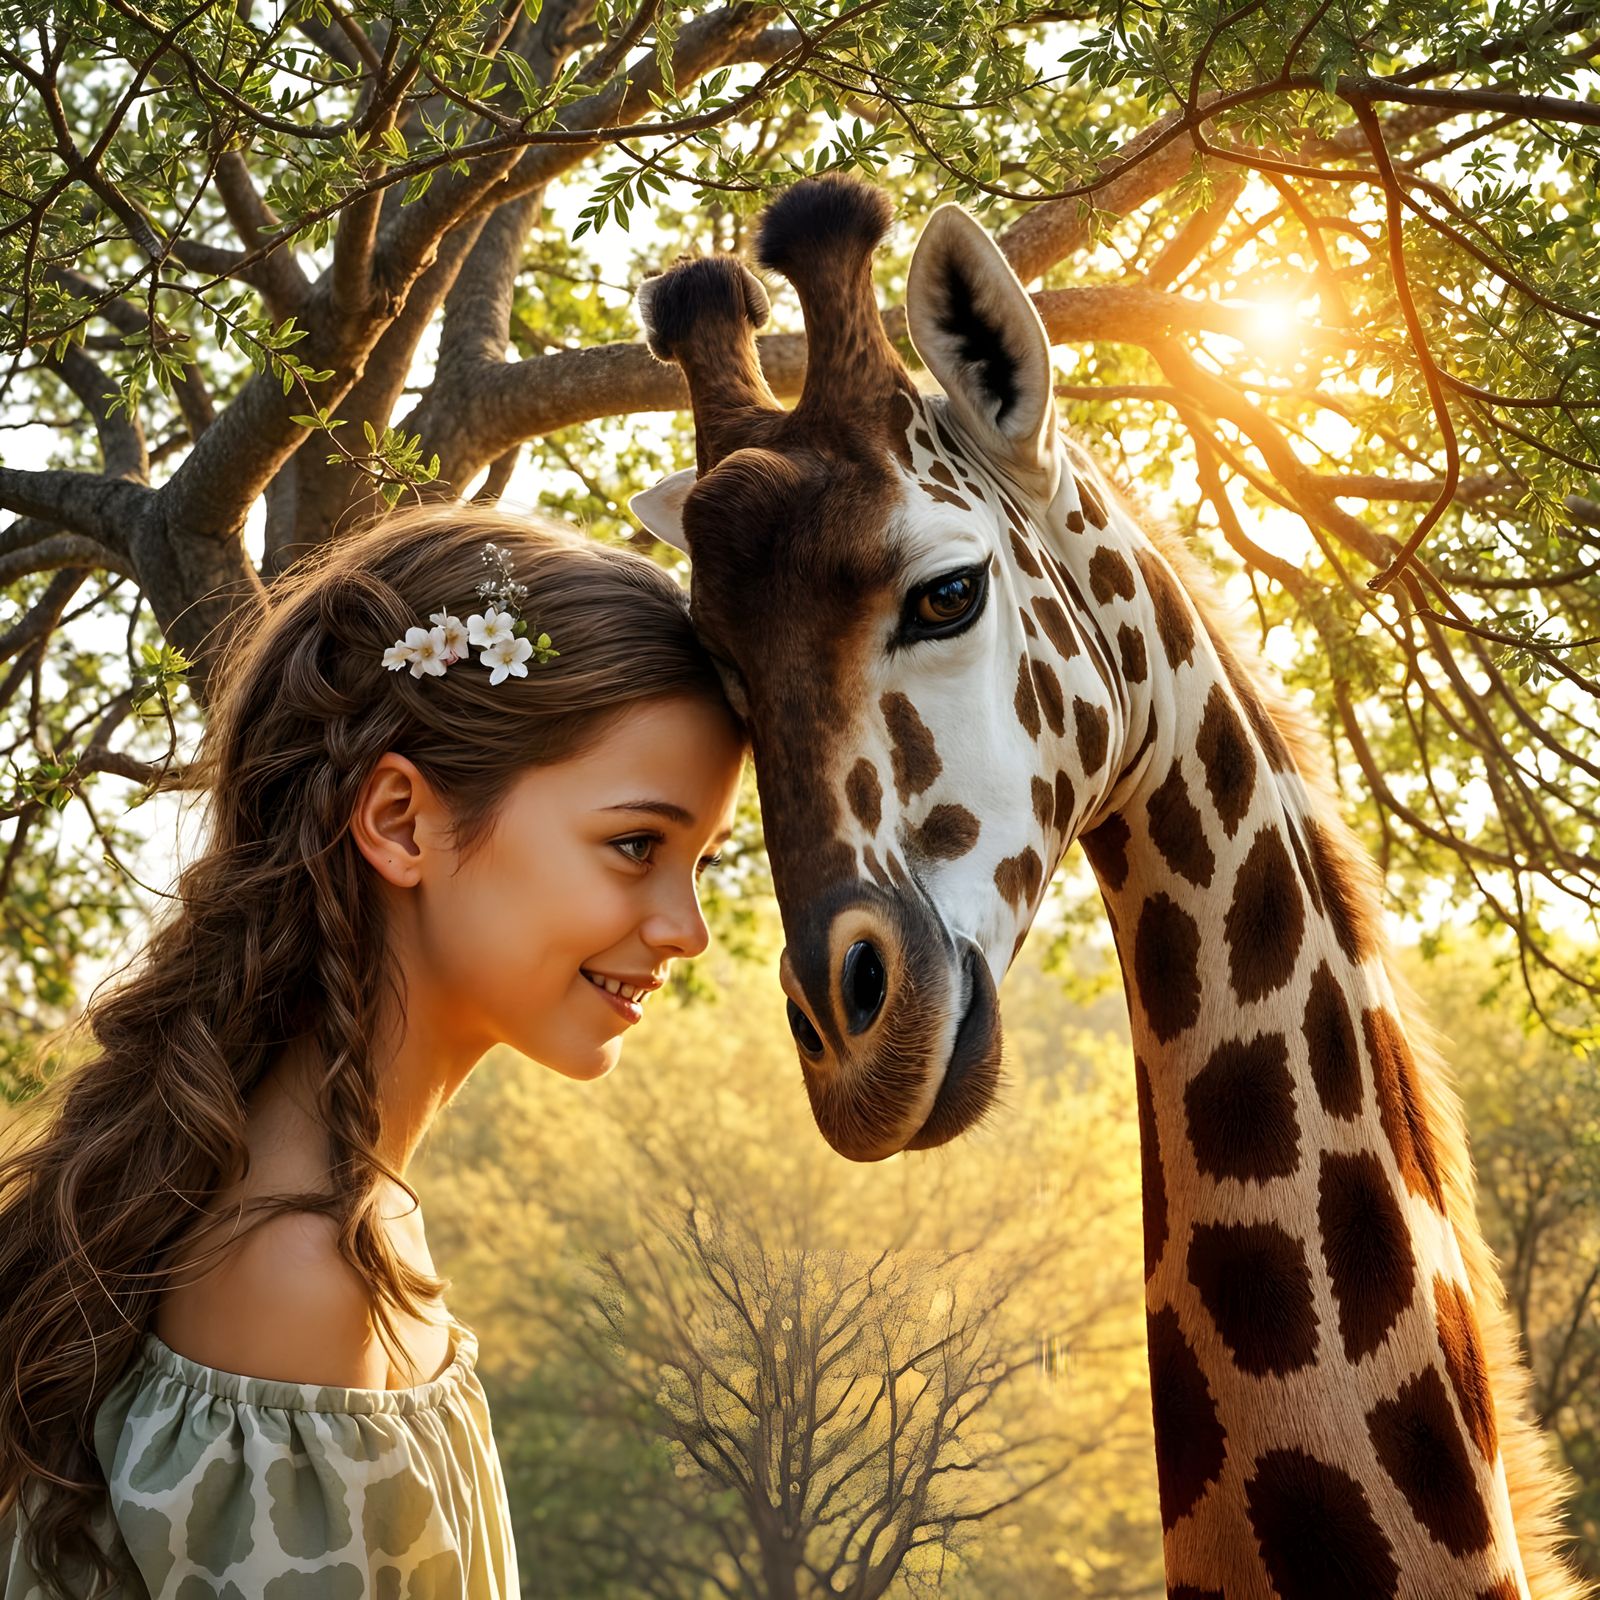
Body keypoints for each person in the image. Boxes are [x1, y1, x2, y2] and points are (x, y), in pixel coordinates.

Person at [0, 507, 745, 1598]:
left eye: (701, 859)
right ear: (399, 820)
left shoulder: (353, 1215)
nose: (687, 926)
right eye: (635, 845)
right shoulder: (295, 1277)